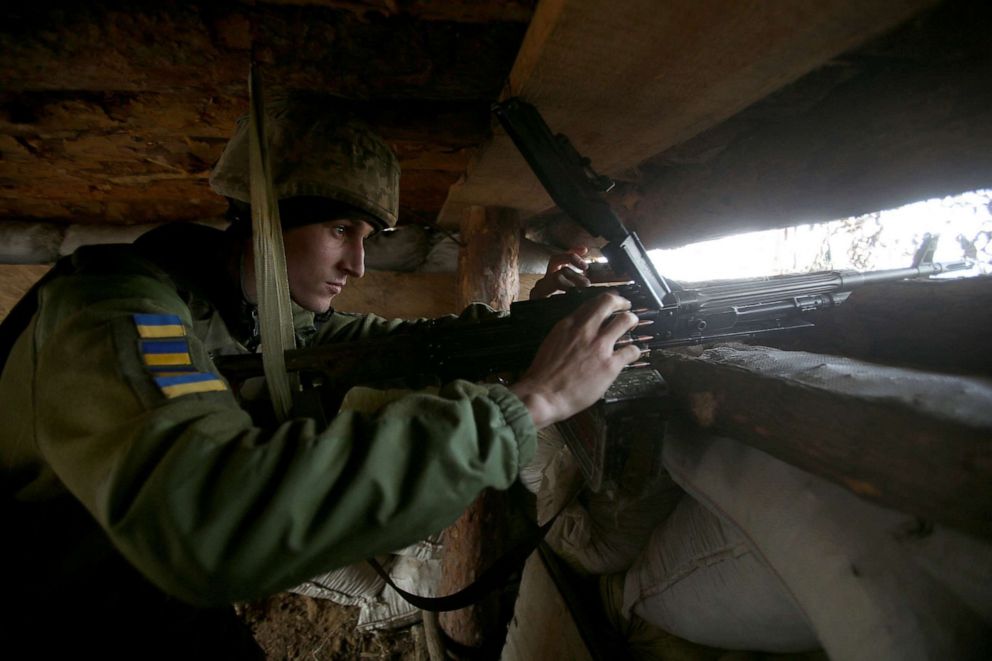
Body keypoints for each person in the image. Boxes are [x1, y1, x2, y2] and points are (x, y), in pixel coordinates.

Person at [0, 98, 640, 656]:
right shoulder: (116, 311)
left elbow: (412, 349)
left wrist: (540, 324)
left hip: (130, 569)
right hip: (46, 585)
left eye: (365, 236)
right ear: (265, 218)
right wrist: (532, 404)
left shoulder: (262, 316)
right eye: (340, 230)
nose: (358, 265)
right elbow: (208, 519)